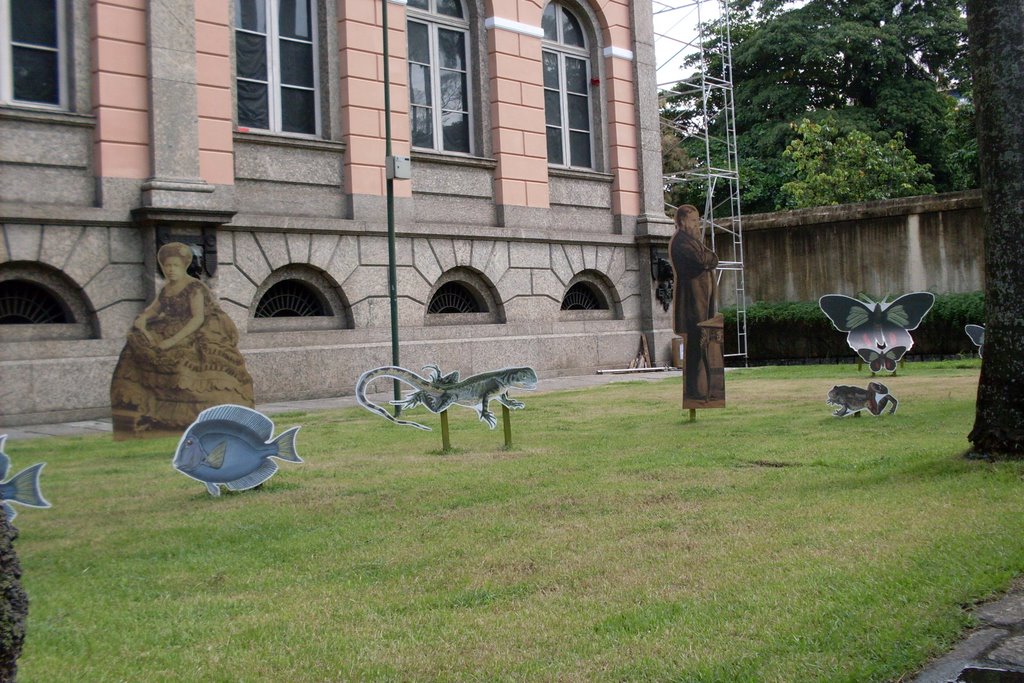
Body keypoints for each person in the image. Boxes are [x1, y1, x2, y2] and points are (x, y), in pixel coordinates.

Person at [110, 242, 254, 437]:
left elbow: (197, 318)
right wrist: (143, 319)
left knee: (186, 363)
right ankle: (149, 413)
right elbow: (154, 310)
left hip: (196, 330)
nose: (170, 270)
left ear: (184, 265)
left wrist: (171, 341)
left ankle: (205, 418)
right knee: (134, 347)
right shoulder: (167, 288)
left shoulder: (194, 287)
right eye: (167, 266)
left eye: (175, 266)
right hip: (169, 326)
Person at [669, 205, 720, 403]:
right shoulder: (681, 242)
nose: (697, 224)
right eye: (693, 220)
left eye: (698, 220)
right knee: (695, 347)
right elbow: (702, 259)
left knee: (702, 344)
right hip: (692, 304)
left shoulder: (693, 240)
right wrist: (708, 259)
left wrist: (708, 259)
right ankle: (694, 389)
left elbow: (712, 257)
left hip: (701, 302)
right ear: (682, 221)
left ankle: (703, 387)